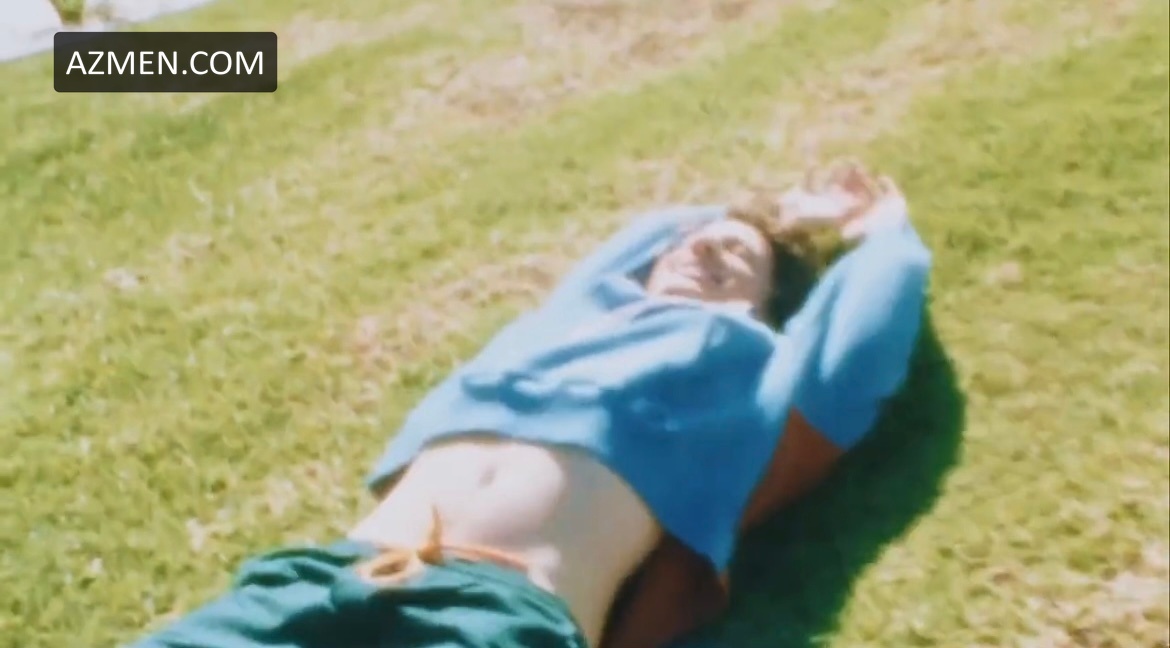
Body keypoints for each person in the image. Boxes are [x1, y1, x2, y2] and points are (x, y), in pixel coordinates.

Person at [127, 161, 930, 648]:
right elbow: (652, 233)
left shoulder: (753, 368)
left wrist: (878, 229)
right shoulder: (571, 317)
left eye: (738, 255)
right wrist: (752, 212)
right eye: (697, 239)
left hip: (496, 612)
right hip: (325, 576)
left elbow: (858, 346)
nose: (704, 245)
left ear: (766, 306)